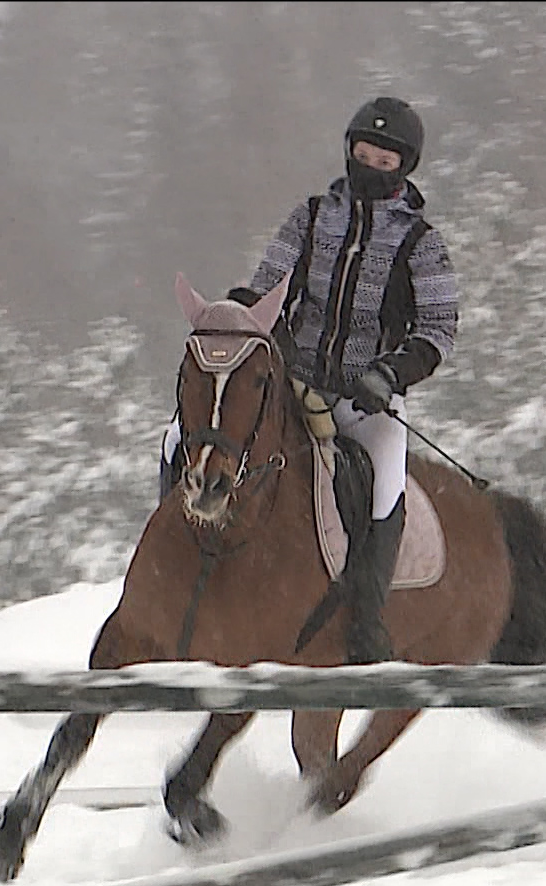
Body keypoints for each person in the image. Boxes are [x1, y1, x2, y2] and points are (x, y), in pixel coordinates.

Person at [161, 95, 458, 665]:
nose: (370, 165)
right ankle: (183, 557)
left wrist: (390, 373)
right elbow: (270, 283)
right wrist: (233, 316)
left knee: (386, 484)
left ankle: (365, 619)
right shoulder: (312, 216)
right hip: (291, 382)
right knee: (180, 439)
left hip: (364, 399)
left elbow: (440, 328)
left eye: (384, 159)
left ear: (403, 167)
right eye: (362, 153)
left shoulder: (422, 243)